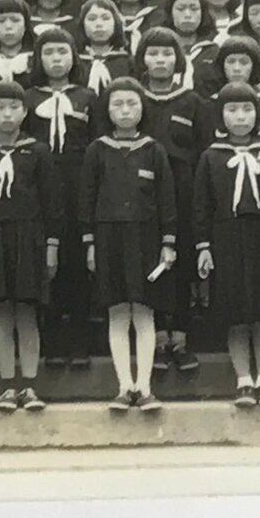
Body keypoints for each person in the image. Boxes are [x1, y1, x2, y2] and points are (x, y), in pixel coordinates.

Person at [80, 79, 177, 414]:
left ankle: (145, 388)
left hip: (146, 239)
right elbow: (87, 199)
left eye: (132, 104)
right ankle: (125, 387)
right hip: (109, 239)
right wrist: (90, 242)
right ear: (107, 110)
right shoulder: (97, 150)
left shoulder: (154, 149)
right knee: (118, 312)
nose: (125, 111)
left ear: (142, 108)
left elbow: (167, 200)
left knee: (144, 311)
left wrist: (168, 242)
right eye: (118, 104)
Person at [194, 85, 260, 408]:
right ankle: (243, 381)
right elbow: (202, 207)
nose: (240, 117)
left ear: (257, 114)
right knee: (236, 312)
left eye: (247, 110)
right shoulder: (211, 156)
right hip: (227, 236)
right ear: (221, 116)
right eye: (233, 110)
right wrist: (204, 246)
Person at [0, 78, 60, 412]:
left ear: (24, 111)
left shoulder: (38, 151)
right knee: (3, 312)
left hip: (29, 237)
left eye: (14, 107)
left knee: (27, 311)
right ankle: (7, 386)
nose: (7, 114)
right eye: (0, 108)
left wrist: (51, 244)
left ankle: (30, 386)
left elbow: (52, 202)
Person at [135, 26, 212, 372]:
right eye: (153, 53)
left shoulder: (192, 101)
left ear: (178, 60)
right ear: (143, 59)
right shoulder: (132, 97)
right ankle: (154, 339)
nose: (160, 60)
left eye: (167, 54)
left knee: (178, 261)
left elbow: (204, 151)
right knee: (147, 260)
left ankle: (179, 338)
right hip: (140, 190)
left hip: (182, 189)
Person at [26, 26, 95, 369]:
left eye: (63, 52)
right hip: (39, 188)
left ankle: (79, 341)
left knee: (77, 263)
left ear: (74, 57)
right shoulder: (27, 98)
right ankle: (52, 341)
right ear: (39, 58)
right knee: (46, 263)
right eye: (49, 53)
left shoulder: (87, 97)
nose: (56, 59)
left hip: (78, 186)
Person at [75, 0, 133, 94]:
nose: (99, 24)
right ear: (82, 24)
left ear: (116, 23)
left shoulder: (129, 62)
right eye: (92, 19)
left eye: (105, 18)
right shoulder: (75, 63)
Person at [0, 0, 36, 87]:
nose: (8, 26)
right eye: (1, 21)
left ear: (26, 24)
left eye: (15, 20)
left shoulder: (37, 61)